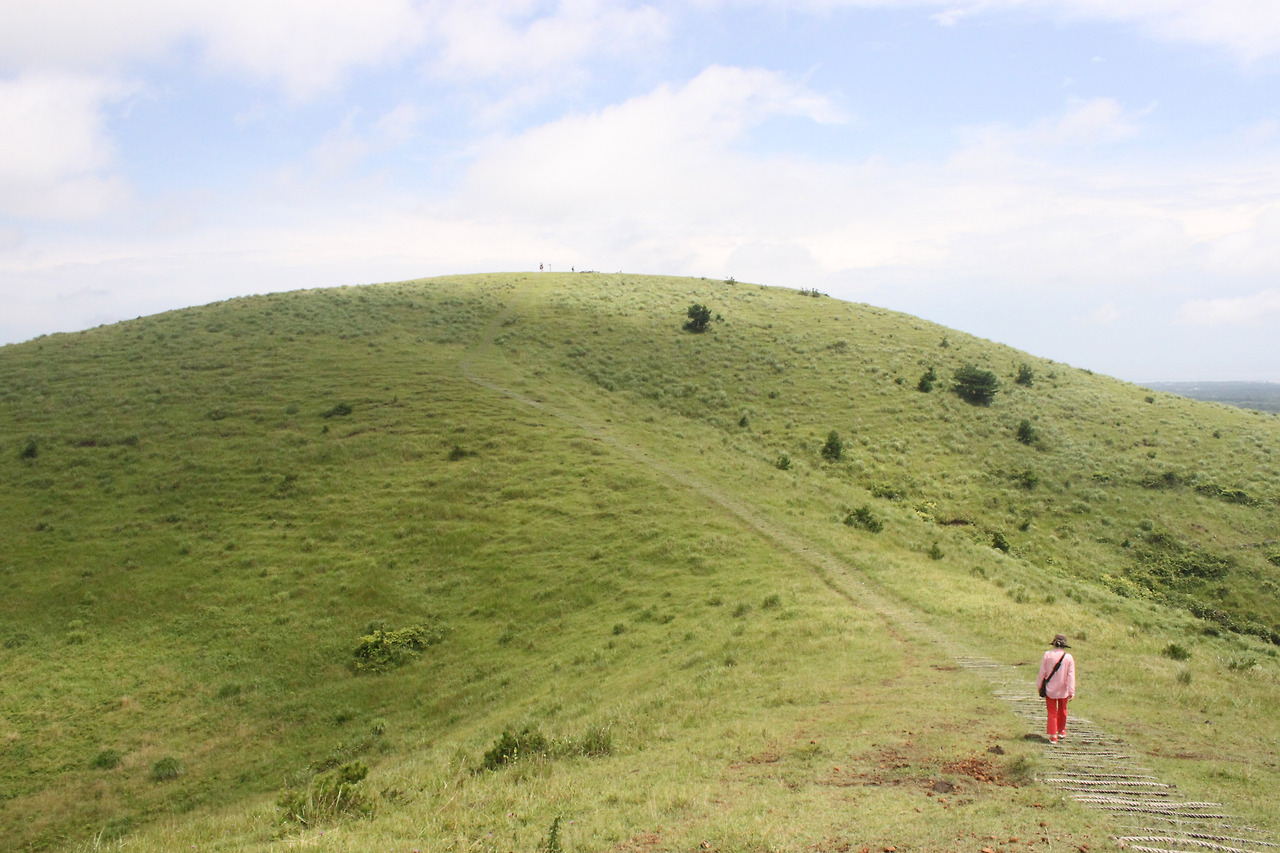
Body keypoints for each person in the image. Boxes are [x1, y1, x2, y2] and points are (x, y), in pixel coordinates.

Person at [1037, 633, 1075, 744]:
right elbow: (1070, 676)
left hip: (1050, 689)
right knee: (1063, 710)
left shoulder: (1047, 655)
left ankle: (1053, 735)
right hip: (1064, 690)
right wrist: (1071, 690)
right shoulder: (1068, 658)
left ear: (1054, 644)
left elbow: (1042, 673)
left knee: (1052, 712)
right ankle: (1062, 730)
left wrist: (1039, 686)